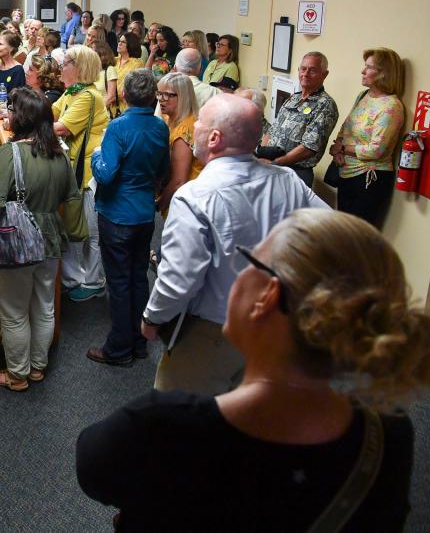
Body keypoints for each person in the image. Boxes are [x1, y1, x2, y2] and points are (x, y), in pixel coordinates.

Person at [79, 208, 430, 533]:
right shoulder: (389, 433)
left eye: (248, 260)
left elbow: (93, 471)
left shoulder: (158, 426)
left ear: (267, 297)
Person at [141, 94, 329, 395]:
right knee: (248, 424)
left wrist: (152, 318)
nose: (195, 127)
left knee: (179, 427)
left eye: (200, 122)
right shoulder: (289, 180)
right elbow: (333, 234)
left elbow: (179, 279)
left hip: (211, 335)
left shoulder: (194, 196)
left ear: (214, 138)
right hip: (272, 328)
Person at [0, 87, 81, 391]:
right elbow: (70, 198)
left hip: (13, 241)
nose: (8, 114)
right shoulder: (60, 154)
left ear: (22, 118)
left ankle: (17, 375)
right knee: (44, 306)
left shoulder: (10, 154)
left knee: (14, 314)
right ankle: (37, 369)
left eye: (12, 110)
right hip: (51, 239)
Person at [87, 70, 169, 366]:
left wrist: (96, 156)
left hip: (117, 214)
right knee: (138, 278)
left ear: (124, 94)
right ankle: (139, 342)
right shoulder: (160, 127)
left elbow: (106, 174)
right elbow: (162, 172)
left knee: (119, 283)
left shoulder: (118, 127)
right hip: (144, 215)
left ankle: (119, 349)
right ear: (153, 97)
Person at [53, 45, 109, 302]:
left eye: (65, 63)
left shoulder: (87, 96)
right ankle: (76, 278)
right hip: (76, 170)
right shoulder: (72, 93)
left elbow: (61, 127)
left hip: (88, 173)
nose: (60, 67)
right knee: (76, 227)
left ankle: (94, 280)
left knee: (90, 230)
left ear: (79, 68)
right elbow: (50, 112)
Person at [329, 47, 406, 228]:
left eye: (369, 67)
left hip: (368, 179)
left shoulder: (391, 106)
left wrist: (343, 148)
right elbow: (346, 128)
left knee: (357, 237)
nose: (363, 71)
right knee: (341, 230)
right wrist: (338, 148)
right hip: (346, 172)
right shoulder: (363, 95)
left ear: (383, 74)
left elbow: (376, 150)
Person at [262, 51, 339, 187]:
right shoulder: (294, 98)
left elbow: (309, 147)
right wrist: (262, 154)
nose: (306, 73)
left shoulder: (326, 105)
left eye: (312, 70)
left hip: (295, 173)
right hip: (271, 166)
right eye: (303, 69)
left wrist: (276, 163)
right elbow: (273, 130)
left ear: (324, 74)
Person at [156, 72, 203, 215]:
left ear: (182, 97)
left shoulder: (185, 129)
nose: (160, 100)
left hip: (186, 204)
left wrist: (159, 205)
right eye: (159, 93)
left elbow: (179, 181)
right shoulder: (168, 119)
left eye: (167, 95)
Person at [111, 34, 145, 115]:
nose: (119, 43)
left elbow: (135, 86)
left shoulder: (137, 63)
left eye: (123, 42)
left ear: (130, 45)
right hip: (111, 107)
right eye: (119, 41)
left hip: (127, 108)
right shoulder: (113, 61)